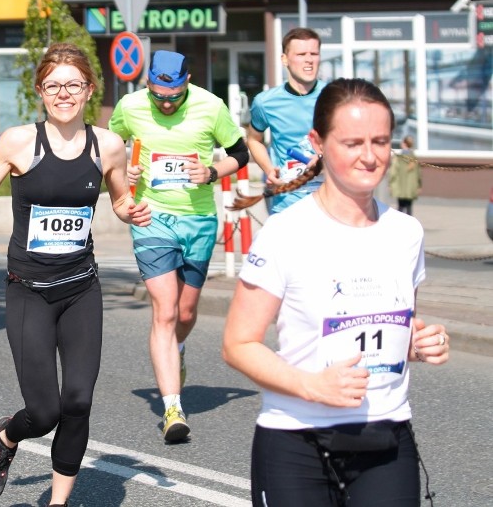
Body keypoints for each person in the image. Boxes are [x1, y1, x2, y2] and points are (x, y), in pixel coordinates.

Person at [223, 78, 449, 507]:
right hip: (297, 440)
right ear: (318, 143)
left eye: (380, 141)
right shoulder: (286, 233)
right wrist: (311, 386)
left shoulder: (407, 233)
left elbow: (393, 326)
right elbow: (237, 344)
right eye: (353, 143)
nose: (370, 156)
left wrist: (418, 343)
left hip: (386, 435)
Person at [0, 43, 150, 506]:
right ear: (40, 91)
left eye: (73, 85)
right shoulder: (20, 141)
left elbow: (119, 198)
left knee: (78, 402)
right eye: (54, 85)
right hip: (29, 291)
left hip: (81, 288)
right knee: (44, 412)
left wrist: (130, 210)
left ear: (89, 90)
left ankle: (58, 503)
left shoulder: (108, 145)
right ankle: (6, 436)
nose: (64, 93)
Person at [107, 50, 249, 442]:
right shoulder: (130, 106)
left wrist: (212, 171)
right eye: (158, 96)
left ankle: (178, 348)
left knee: (185, 312)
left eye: (174, 96)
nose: (166, 104)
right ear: (148, 85)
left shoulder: (210, 106)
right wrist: (123, 171)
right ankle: (173, 409)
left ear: (187, 83)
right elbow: (109, 145)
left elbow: (241, 152)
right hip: (151, 218)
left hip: (199, 220)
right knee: (165, 310)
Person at [247, 27, 326, 214]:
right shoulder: (265, 102)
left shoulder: (336, 96)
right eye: (301, 54)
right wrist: (268, 169)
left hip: (329, 199)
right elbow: (253, 139)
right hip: (287, 202)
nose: (309, 60)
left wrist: (325, 159)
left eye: (314, 53)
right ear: (285, 59)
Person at [389, 135, 422, 216]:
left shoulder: (398, 158)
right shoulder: (414, 158)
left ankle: (399, 225)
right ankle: (409, 224)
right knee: (409, 206)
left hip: (400, 185)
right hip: (411, 187)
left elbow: (393, 172)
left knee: (400, 206)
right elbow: (419, 173)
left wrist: (390, 183)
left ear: (404, 144)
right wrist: (419, 185)